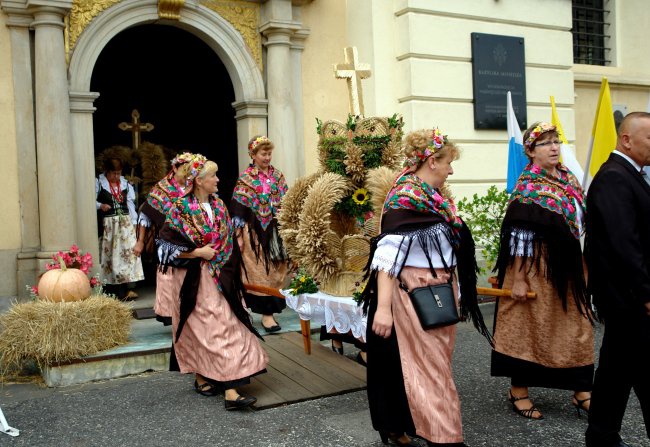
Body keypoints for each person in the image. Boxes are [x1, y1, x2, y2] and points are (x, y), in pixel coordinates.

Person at [362, 128, 491, 447]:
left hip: (439, 291)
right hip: (415, 292)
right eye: (448, 162)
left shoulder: (434, 200)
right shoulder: (405, 199)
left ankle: (423, 426)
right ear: (432, 161)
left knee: (434, 364)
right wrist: (383, 311)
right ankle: (444, 436)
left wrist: (457, 292)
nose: (451, 169)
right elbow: (387, 258)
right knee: (429, 367)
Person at [491, 122, 594, 420]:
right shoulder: (528, 185)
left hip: (569, 264)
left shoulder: (568, 179)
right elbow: (520, 233)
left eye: (556, 141)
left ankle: (582, 390)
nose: (553, 147)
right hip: (535, 266)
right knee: (527, 327)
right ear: (530, 151)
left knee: (576, 327)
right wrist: (520, 278)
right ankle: (518, 391)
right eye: (545, 143)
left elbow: (579, 222)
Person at [158, 155, 268, 410]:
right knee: (204, 328)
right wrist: (196, 253)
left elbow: (228, 239)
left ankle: (228, 386)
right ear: (198, 181)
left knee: (226, 325)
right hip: (194, 279)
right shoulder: (180, 207)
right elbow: (165, 246)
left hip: (221, 276)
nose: (218, 180)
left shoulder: (219, 205)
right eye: (213, 176)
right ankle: (216, 382)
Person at [584, 112, 650, 447]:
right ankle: (601, 435)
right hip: (627, 296)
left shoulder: (629, 174)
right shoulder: (615, 177)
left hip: (625, 295)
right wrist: (645, 292)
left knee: (617, 370)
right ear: (627, 139)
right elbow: (624, 242)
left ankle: (601, 435)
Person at [230, 135, 289, 333]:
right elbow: (239, 206)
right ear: (253, 155)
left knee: (275, 271)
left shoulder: (278, 176)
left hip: (275, 231)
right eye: (263, 154)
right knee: (259, 272)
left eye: (269, 153)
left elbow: (287, 200)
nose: (267, 157)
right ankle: (265, 314)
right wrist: (237, 233)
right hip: (253, 234)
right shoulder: (246, 178)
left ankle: (269, 312)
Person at [134, 152, 194, 324]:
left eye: (191, 171)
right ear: (174, 168)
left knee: (190, 280)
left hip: (192, 243)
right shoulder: (161, 190)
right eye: (185, 170)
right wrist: (140, 242)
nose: (188, 175)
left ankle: (191, 317)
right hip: (168, 243)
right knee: (169, 281)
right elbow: (145, 217)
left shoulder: (195, 186)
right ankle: (173, 318)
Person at [96, 157, 144, 299]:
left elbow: (130, 207)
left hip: (125, 225)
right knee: (112, 256)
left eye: (118, 173)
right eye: (113, 173)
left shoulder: (125, 185)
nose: (116, 176)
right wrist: (100, 206)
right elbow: (90, 201)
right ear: (106, 172)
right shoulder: (99, 183)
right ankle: (113, 291)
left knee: (128, 255)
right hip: (110, 226)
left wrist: (134, 226)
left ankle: (128, 289)